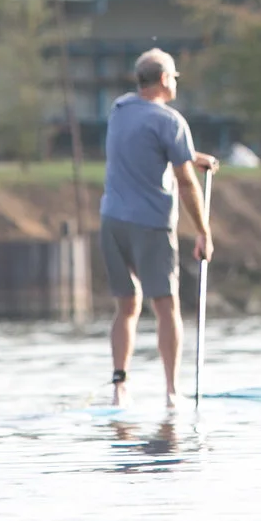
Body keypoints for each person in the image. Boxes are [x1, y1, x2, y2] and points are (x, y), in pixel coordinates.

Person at [100, 47, 217, 408]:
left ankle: (120, 387)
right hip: (151, 224)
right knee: (166, 306)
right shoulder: (171, 121)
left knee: (126, 306)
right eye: (175, 76)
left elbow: (148, 144)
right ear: (165, 79)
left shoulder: (120, 109)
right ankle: (171, 392)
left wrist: (193, 156)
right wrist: (203, 232)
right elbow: (185, 183)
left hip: (112, 220)